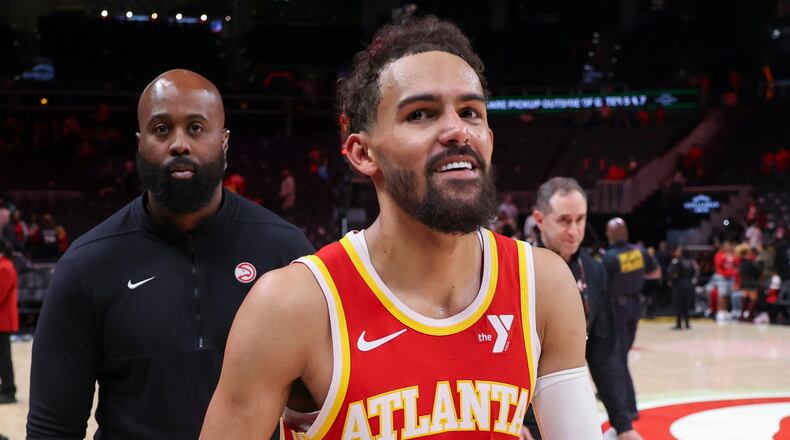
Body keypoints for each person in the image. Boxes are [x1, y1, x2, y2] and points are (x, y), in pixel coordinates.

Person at [201, 16, 602, 440]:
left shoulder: (544, 285)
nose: (456, 130)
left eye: (470, 112)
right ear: (361, 153)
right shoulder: (290, 306)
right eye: (421, 114)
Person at [27, 69, 314, 439]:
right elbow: (52, 429)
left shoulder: (287, 252)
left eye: (196, 128)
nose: (179, 144)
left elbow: (324, 406)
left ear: (224, 142)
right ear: (140, 142)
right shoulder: (87, 266)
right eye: (161, 129)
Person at [521, 177, 642, 440]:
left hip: (566, 403)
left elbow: (604, 354)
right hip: (519, 411)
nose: (574, 231)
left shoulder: (595, 271)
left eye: (580, 220)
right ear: (540, 219)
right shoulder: (513, 266)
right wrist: (513, 421)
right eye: (564, 221)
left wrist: (623, 425)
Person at [602, 217, 660, 421]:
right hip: (636, 306)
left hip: (617, 308)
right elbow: (656, 272)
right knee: (621, 354)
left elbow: (602, 285)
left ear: (611, 234)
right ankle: (610, 393)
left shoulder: (609, 258)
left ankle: (629, 406)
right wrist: (635, 278)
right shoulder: (640, 252)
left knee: (618, 358)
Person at [0, 238, 18, 405]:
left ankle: (9, 390)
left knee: (4, 356)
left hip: (2, 320)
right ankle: (5, 387)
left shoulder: (5, 267)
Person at [667, 247, 698, 329]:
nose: (676, 252)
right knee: (686, 304)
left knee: (678, 304)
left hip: (679, 285)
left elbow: (672, 273)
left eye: (678, 251)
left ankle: (679, 324)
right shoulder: (691, 261)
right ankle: (687, 324)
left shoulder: (676, 261)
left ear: (682, 253)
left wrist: (671, 281)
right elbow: (695, 272)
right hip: (689, 284)